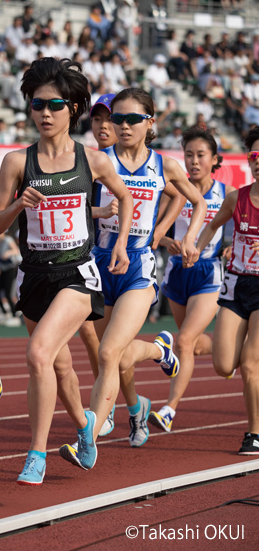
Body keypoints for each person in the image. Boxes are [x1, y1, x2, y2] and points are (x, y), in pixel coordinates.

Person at [0, 57, 134, 486]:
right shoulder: (17, 162)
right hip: (33, 276)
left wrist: (121, 243)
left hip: (77, 274)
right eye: (37, 105)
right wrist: (17, 204)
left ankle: (36, 454)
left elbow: (124, 199)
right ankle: (87, 427)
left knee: (37, 355)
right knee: (60, 367)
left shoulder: (92, 160)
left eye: (54, 105)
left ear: (72, 108)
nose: (45, 114)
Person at [61, 89, 207, 471]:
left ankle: (87, 440)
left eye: (132, 119)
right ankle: (156, 358)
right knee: (116, 357)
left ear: (150, 122)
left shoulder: (164, 166)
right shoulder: (96, 161)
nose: (122, 126)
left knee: (110, 353)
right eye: (117, 119)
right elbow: (73, 204)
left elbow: (199, 202)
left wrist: (181, 235)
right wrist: (98, 209)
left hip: (139, 267)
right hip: (98, 265)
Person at [149, 127, 234, 433]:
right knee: (193, 344)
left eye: (201, 155)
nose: (194, 161)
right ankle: (231, 348)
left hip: (209, 273)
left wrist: (229, 245)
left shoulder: (226, 194)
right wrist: (166, 242)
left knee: (182, 341)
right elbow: (150, 231)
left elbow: (243, 228)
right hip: (176, 273)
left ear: (214, 159)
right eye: (188, 155)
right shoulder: (173, 190)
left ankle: (169, 409)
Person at [192, 126, 259, 454]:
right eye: (254, 156)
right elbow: (212, 226)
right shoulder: (237, 197)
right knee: (223, 366)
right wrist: (197, 249)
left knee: (249, 363)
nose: (258, 161)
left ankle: (254, 433)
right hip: (236, 286)